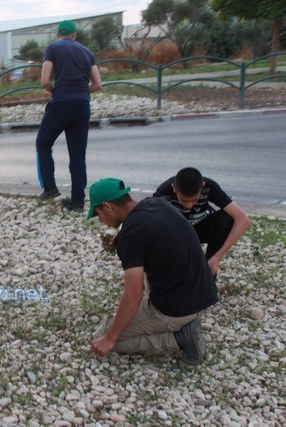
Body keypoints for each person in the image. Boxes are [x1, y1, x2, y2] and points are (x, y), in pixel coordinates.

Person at [87, 178, 218, 365]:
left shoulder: (131, 235)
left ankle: (180, 338)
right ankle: (181, 323)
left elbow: (133, 295)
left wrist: (110, 338)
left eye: (98, 214)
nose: (101, 220)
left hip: (177, 309)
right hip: (203, 293)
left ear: (108, 207)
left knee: (102, 337)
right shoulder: (156, 203)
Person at [36, 19, 102, 211]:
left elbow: (44, 80)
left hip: (61, 103)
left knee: (43, 142)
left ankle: (50, 187)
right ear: (74, 35)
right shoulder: (87, 52)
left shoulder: (53, 48)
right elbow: (98, 84)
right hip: (82, 105)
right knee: (77, 155)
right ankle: (78, 201)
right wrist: (81, 91)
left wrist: (54, 91)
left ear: (59, 34)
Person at [153, 167, 251, 277]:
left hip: (199, 227)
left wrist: (217, 257)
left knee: (225, 219)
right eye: (184, 200)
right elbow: (148, 224)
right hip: (175, 232)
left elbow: (243, 220)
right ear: (174, 188)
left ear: (202, 186)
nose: (189, 205)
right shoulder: (163, 193)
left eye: (194, 200)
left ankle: (209, 272)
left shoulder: (209, 186)